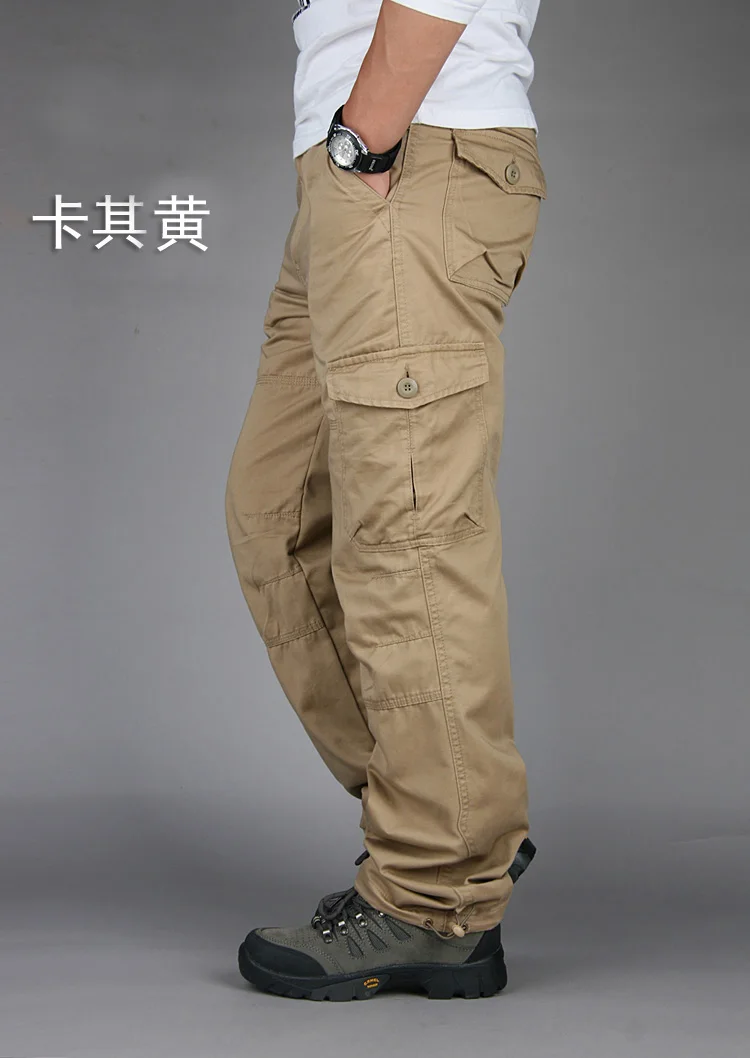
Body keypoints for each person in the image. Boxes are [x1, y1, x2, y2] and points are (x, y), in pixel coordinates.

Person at [225, 0, 548, 1000]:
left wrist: (365, 139)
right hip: (353, 171)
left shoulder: (383, 142)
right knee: (277, 517)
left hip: (410, 149)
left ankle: (437, 892)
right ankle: (454, 813)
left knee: (407, 540)